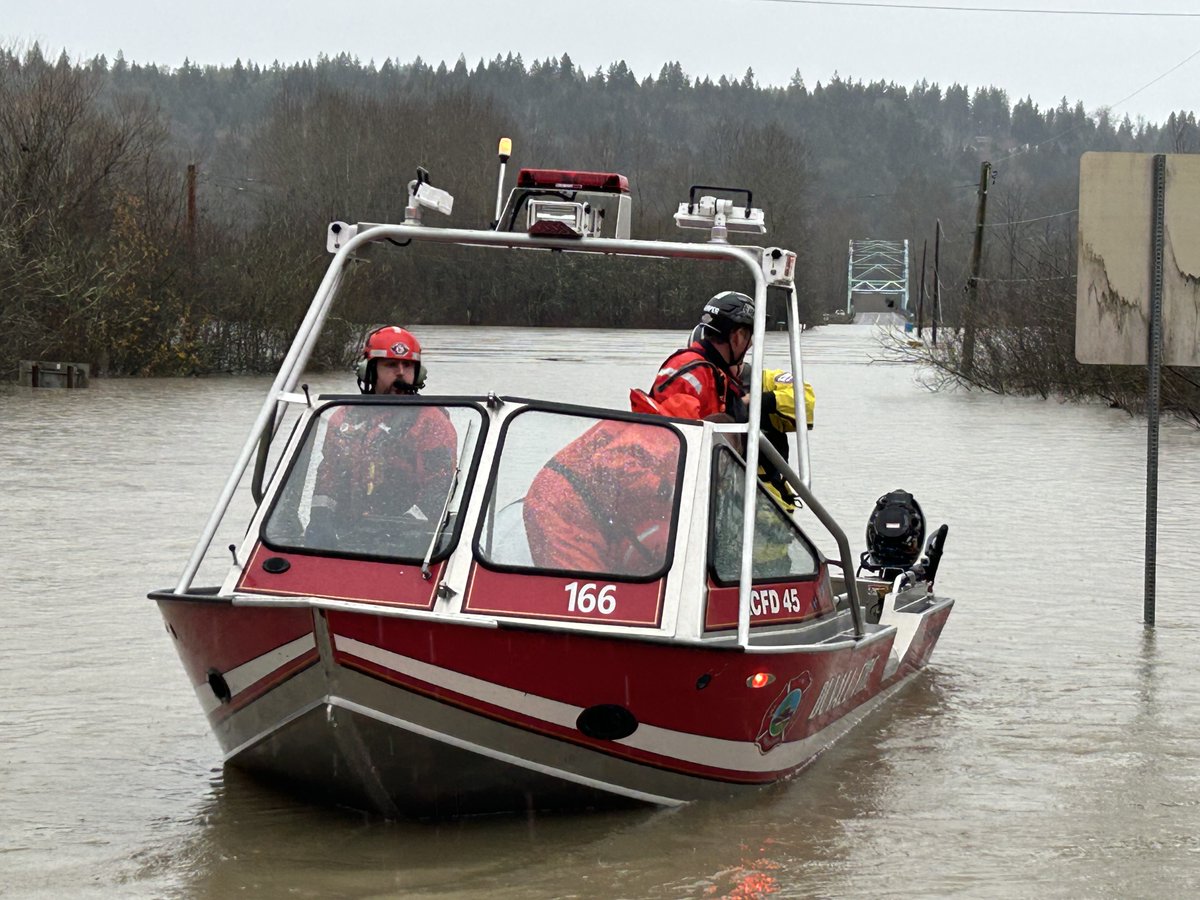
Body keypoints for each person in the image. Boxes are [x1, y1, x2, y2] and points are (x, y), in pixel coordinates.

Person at [305, 326, 458, 554]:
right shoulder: (343, 416)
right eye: (390, 365)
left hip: (408, 541)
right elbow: (329, 473)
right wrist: (320, 518)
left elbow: (441, 484)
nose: (400, 373)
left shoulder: (431, 420)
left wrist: (403, 527)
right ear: (368, 371)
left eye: (407, 366)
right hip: (349, 534)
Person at [522, 418, 681, 576]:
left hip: (589, 512)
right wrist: (666, 491)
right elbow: (609, 461)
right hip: (564, 507)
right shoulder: (671, 430)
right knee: (580, 590)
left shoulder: (672, 426)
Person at [642, 290, 755, 421]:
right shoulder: (692, 373)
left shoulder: (713, 371)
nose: (749, 345)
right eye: (749, 339)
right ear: (738, 337)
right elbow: (681, 434)